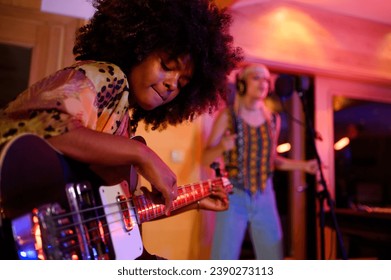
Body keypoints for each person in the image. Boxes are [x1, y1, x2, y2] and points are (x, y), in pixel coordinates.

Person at [0, 0, 242, 227]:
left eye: (182, 83)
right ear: (139, 47)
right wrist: (142, 154)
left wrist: (193, 200)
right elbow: (48, 129)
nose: (172, 83)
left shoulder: (122, 122)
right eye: (167, 66)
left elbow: (113, 216)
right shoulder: (109, 76)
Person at [202, 63, 318, 260]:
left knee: (272, 257)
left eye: (266, 79)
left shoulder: (273, 119)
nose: (263, 83)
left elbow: (272, 160)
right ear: (242, 84)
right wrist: (222, 146)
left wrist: (304, 165)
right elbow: (204, 157)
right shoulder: (227, 116)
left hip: (265, 196)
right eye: (256, 77)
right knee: (224, 257)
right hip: (233, 195)